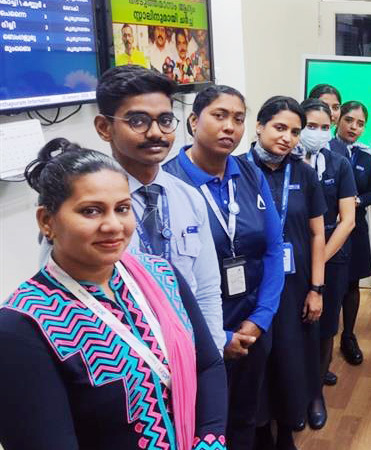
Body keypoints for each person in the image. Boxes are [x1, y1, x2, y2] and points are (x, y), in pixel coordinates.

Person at [0, 138, 226, 449]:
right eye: (91, 211)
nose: (113, 225)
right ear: (47, 221)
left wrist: (210, 441)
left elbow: (208, 365)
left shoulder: (162, 276)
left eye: (122, 209)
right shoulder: (22, 327)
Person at [163, 85, 284, 449]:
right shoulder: (169, 183)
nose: (230, 127)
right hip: (197, 336)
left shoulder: (250, 175)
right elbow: (167, 278)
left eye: (238, 119)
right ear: (193, 120)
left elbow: (275, 249)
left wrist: (261, 318)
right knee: (203, 425)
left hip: (252, 327)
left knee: (245, 415)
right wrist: (219, 338)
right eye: (219, 116)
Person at [92, 65, 226, 353]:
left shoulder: (188, 198)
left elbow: (206, 289)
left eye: (165, 120)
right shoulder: (83, 208)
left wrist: (212, 358)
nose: (156, 133)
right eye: (138, 121)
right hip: (122, 359)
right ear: (104, 128)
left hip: (186, 351)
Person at [248, 96, 326, 449]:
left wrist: (317, 288)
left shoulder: (305, 174)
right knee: (257, 361)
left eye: (296, 131)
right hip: (250, 288)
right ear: (260, 126)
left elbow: (316, 234)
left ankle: (287, 430)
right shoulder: (238, 170)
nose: (288, 138)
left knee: (291, 358)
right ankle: (261, 431)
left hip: (295, 287)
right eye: (280, 128)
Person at [298, 98, 357, 429]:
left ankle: (315, 393)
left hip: (331, 258)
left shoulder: (339, 164)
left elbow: (347, 220)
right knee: (293, 327)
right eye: (310, 126)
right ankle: (293, 391)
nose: (317, 133)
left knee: (323, 329)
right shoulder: (285, 162)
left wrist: (318, 260)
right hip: (291, 261)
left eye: (324, 128)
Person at [328, 101, 371, 366]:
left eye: (360, 123)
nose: (354, 127)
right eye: (349, 120)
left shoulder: (366, 157)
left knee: (352, 284)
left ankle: (348, 336)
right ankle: (324, 340)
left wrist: (354, 203)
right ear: (338, 120)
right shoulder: (324, 151)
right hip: (327, 230)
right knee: (327, 285)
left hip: (355, 228)